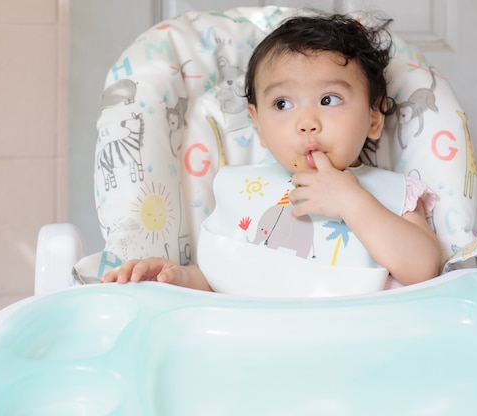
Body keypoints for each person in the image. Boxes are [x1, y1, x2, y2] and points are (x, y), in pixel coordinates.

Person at [101, 12, 442, 290]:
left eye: (329, 100)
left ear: (373, 118)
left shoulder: (393, 194)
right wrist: (176, 277)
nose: (307, 122)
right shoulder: (237, 187)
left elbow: (425, 269)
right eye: (282, 103)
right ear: (259, 125)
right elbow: (221, 278)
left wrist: (353, 202)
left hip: (356, 342)